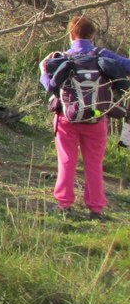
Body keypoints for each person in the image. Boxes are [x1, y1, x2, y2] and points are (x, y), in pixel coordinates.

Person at [40, 16, 130, 220]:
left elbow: (48, 85)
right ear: (93, 35)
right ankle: (96, 209)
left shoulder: (61, 57)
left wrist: (42, 69)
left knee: (67, 160)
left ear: (71, 34)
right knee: (94, 163)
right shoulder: (103, 56)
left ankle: (64, 204)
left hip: (66, 119)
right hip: (97, 118)